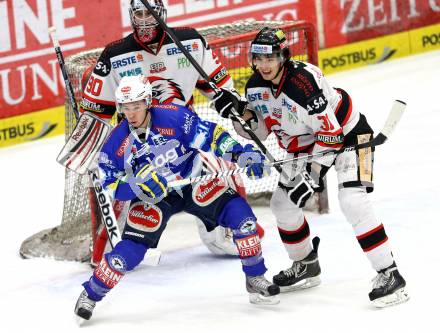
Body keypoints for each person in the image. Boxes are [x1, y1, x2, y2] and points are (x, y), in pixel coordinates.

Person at [74, 75, 279, 321]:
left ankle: (255, 278)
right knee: (127, 254)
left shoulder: (174, 116)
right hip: (153, 198)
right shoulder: (116, 143)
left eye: (136, 106)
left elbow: (210, 136)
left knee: (243, 220)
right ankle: (91, 294)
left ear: (148, 102)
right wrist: (136, 185)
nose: (131, 113)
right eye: (126, 107)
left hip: (193, 181)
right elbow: (109, 184)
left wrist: (239, 154)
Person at [234, 27, 409, 308]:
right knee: (282, 204)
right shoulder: (254, 87)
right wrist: (240, 116)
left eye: (271, 58)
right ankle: (306, 264)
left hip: (350, 134)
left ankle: (390, 274)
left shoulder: (304, 82)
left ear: (283, 56)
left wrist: (312, 176)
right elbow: (263, 130)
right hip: (306, 144)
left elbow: (332, 135)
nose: (264, 65)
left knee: (352, 201)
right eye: (259, 58)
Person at [80, 0, 252, 256]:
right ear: (131, 15)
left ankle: (234, 235)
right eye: (138, 13)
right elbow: (95, 114)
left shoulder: (191, 42)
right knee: (114, 189)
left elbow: (221, 88)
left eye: (149, 13)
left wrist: (231, 101)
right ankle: (105, 249)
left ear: (161, 14)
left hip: (184, 138)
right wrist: (95, 153)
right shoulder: (114, 55)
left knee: (224, 172)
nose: (144, 19)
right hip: (137, 145)